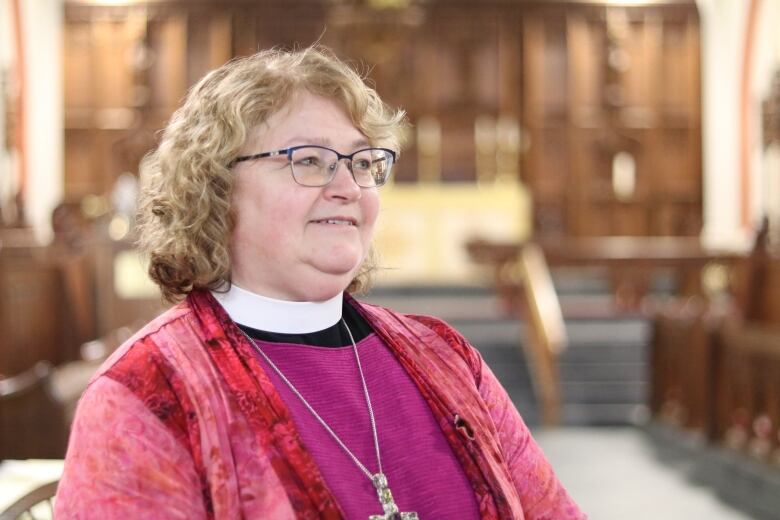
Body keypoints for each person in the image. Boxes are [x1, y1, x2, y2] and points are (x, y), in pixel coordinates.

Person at [55, 46, 586, 519]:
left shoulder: (446, 358)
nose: (349, 187)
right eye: (309, 160)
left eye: (363, 161)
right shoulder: (146, 394)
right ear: (215, 188)